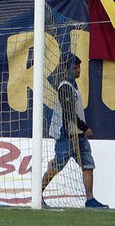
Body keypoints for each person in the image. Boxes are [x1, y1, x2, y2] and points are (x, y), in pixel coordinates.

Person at [40, 54, 105, 208]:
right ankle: (37, 194)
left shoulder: (73, 86)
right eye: (75, 68)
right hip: (66, 135)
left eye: (79, 67)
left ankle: (90, 199)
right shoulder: (64, 87)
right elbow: (69, 114)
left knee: (88, 165)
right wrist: (85, 127)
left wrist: (81, 131)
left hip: (78, 135)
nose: (78, 71)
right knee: (57, 166)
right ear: (67, 69)